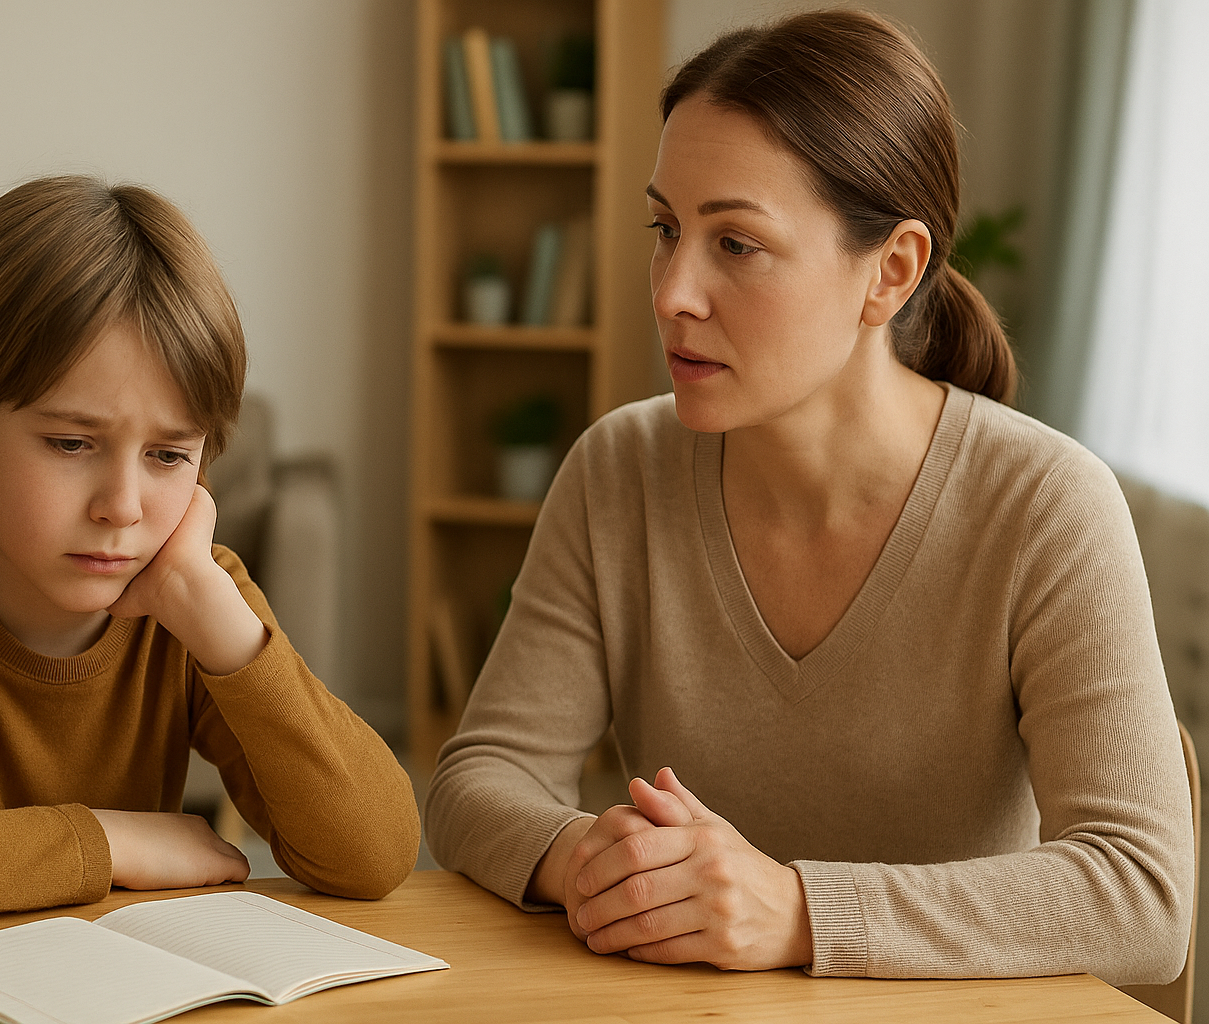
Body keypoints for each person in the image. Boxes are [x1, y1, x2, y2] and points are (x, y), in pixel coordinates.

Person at [424, 10, 1194, 984]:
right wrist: (594, 861)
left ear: (892, 272)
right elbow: (475, 781)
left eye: (736, 244)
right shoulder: (617, 468)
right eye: (666, 229)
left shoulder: (1046, 506)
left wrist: (796, 911)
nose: (670, 292)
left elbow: (1145, 895)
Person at [0, 176, 420, 938]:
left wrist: (226, 631)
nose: (124, 505)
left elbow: (376, 854)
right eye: (72, 444)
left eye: (169, 455)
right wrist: (110, 840)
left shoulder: (193, 602)